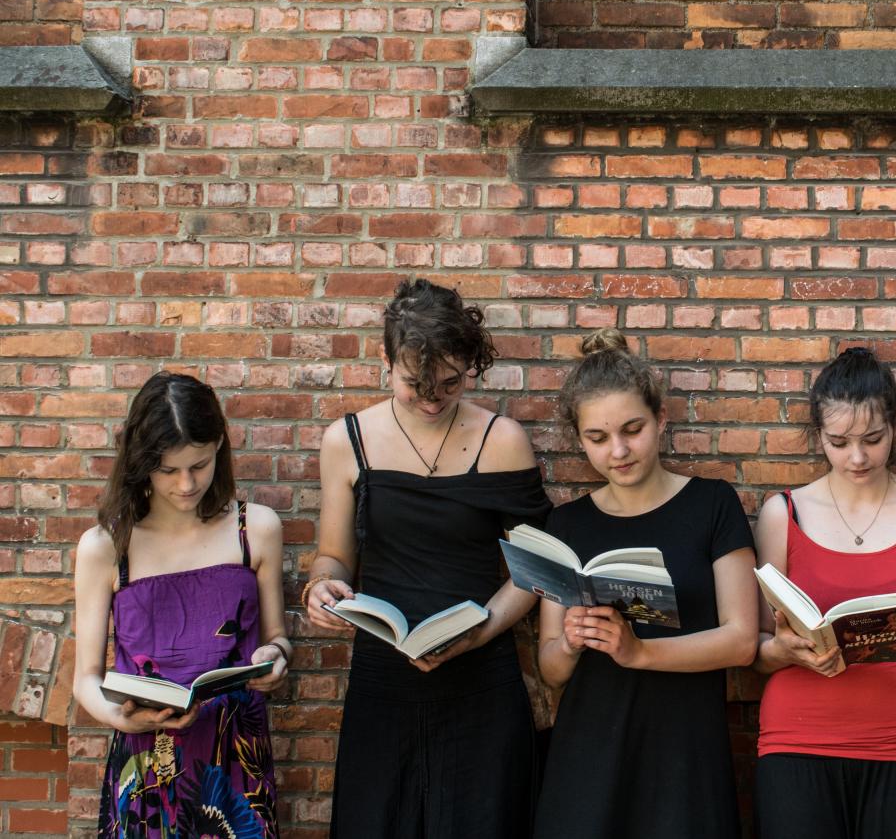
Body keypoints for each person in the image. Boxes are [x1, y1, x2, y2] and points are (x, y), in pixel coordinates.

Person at [303, 278, 552, 838]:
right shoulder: (347, 440)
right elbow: (334, 558)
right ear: (386, 361)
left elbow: (537, 571)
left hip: (481, 681)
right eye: (416, 383)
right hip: (382, 680)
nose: (433, 398)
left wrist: (480, 632)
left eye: (450, 382)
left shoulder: (503, 439)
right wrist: (321, 587)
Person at [532, 328, 758, 839]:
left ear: (660, 420)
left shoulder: (712, 505)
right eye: (597, 438)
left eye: (632, 429)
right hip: (589, 754)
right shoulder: (566, 526)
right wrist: (569, 641)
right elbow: (550, 668)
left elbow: (742, 639)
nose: (618, 451)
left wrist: (639, 653)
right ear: (579, 439)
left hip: (684, 753)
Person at [752, 346, 896, 839]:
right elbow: (753, 650)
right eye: (838, 442)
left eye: (873, 439)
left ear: (894, 427)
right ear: (818, 436)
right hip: (796, 740)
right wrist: (783, 650)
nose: (857, 457)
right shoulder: (782, 514)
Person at [73, 371, 288, 837]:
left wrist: (277, 658)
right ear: (140, 462)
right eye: (168, 470)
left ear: (219, 451)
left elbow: (276, 638)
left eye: (201, 464)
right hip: (148, 760)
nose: (188, 484)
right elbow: (85, 679)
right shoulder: (107, 546)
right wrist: (122, 717)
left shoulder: (257, 530)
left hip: (237, 760)